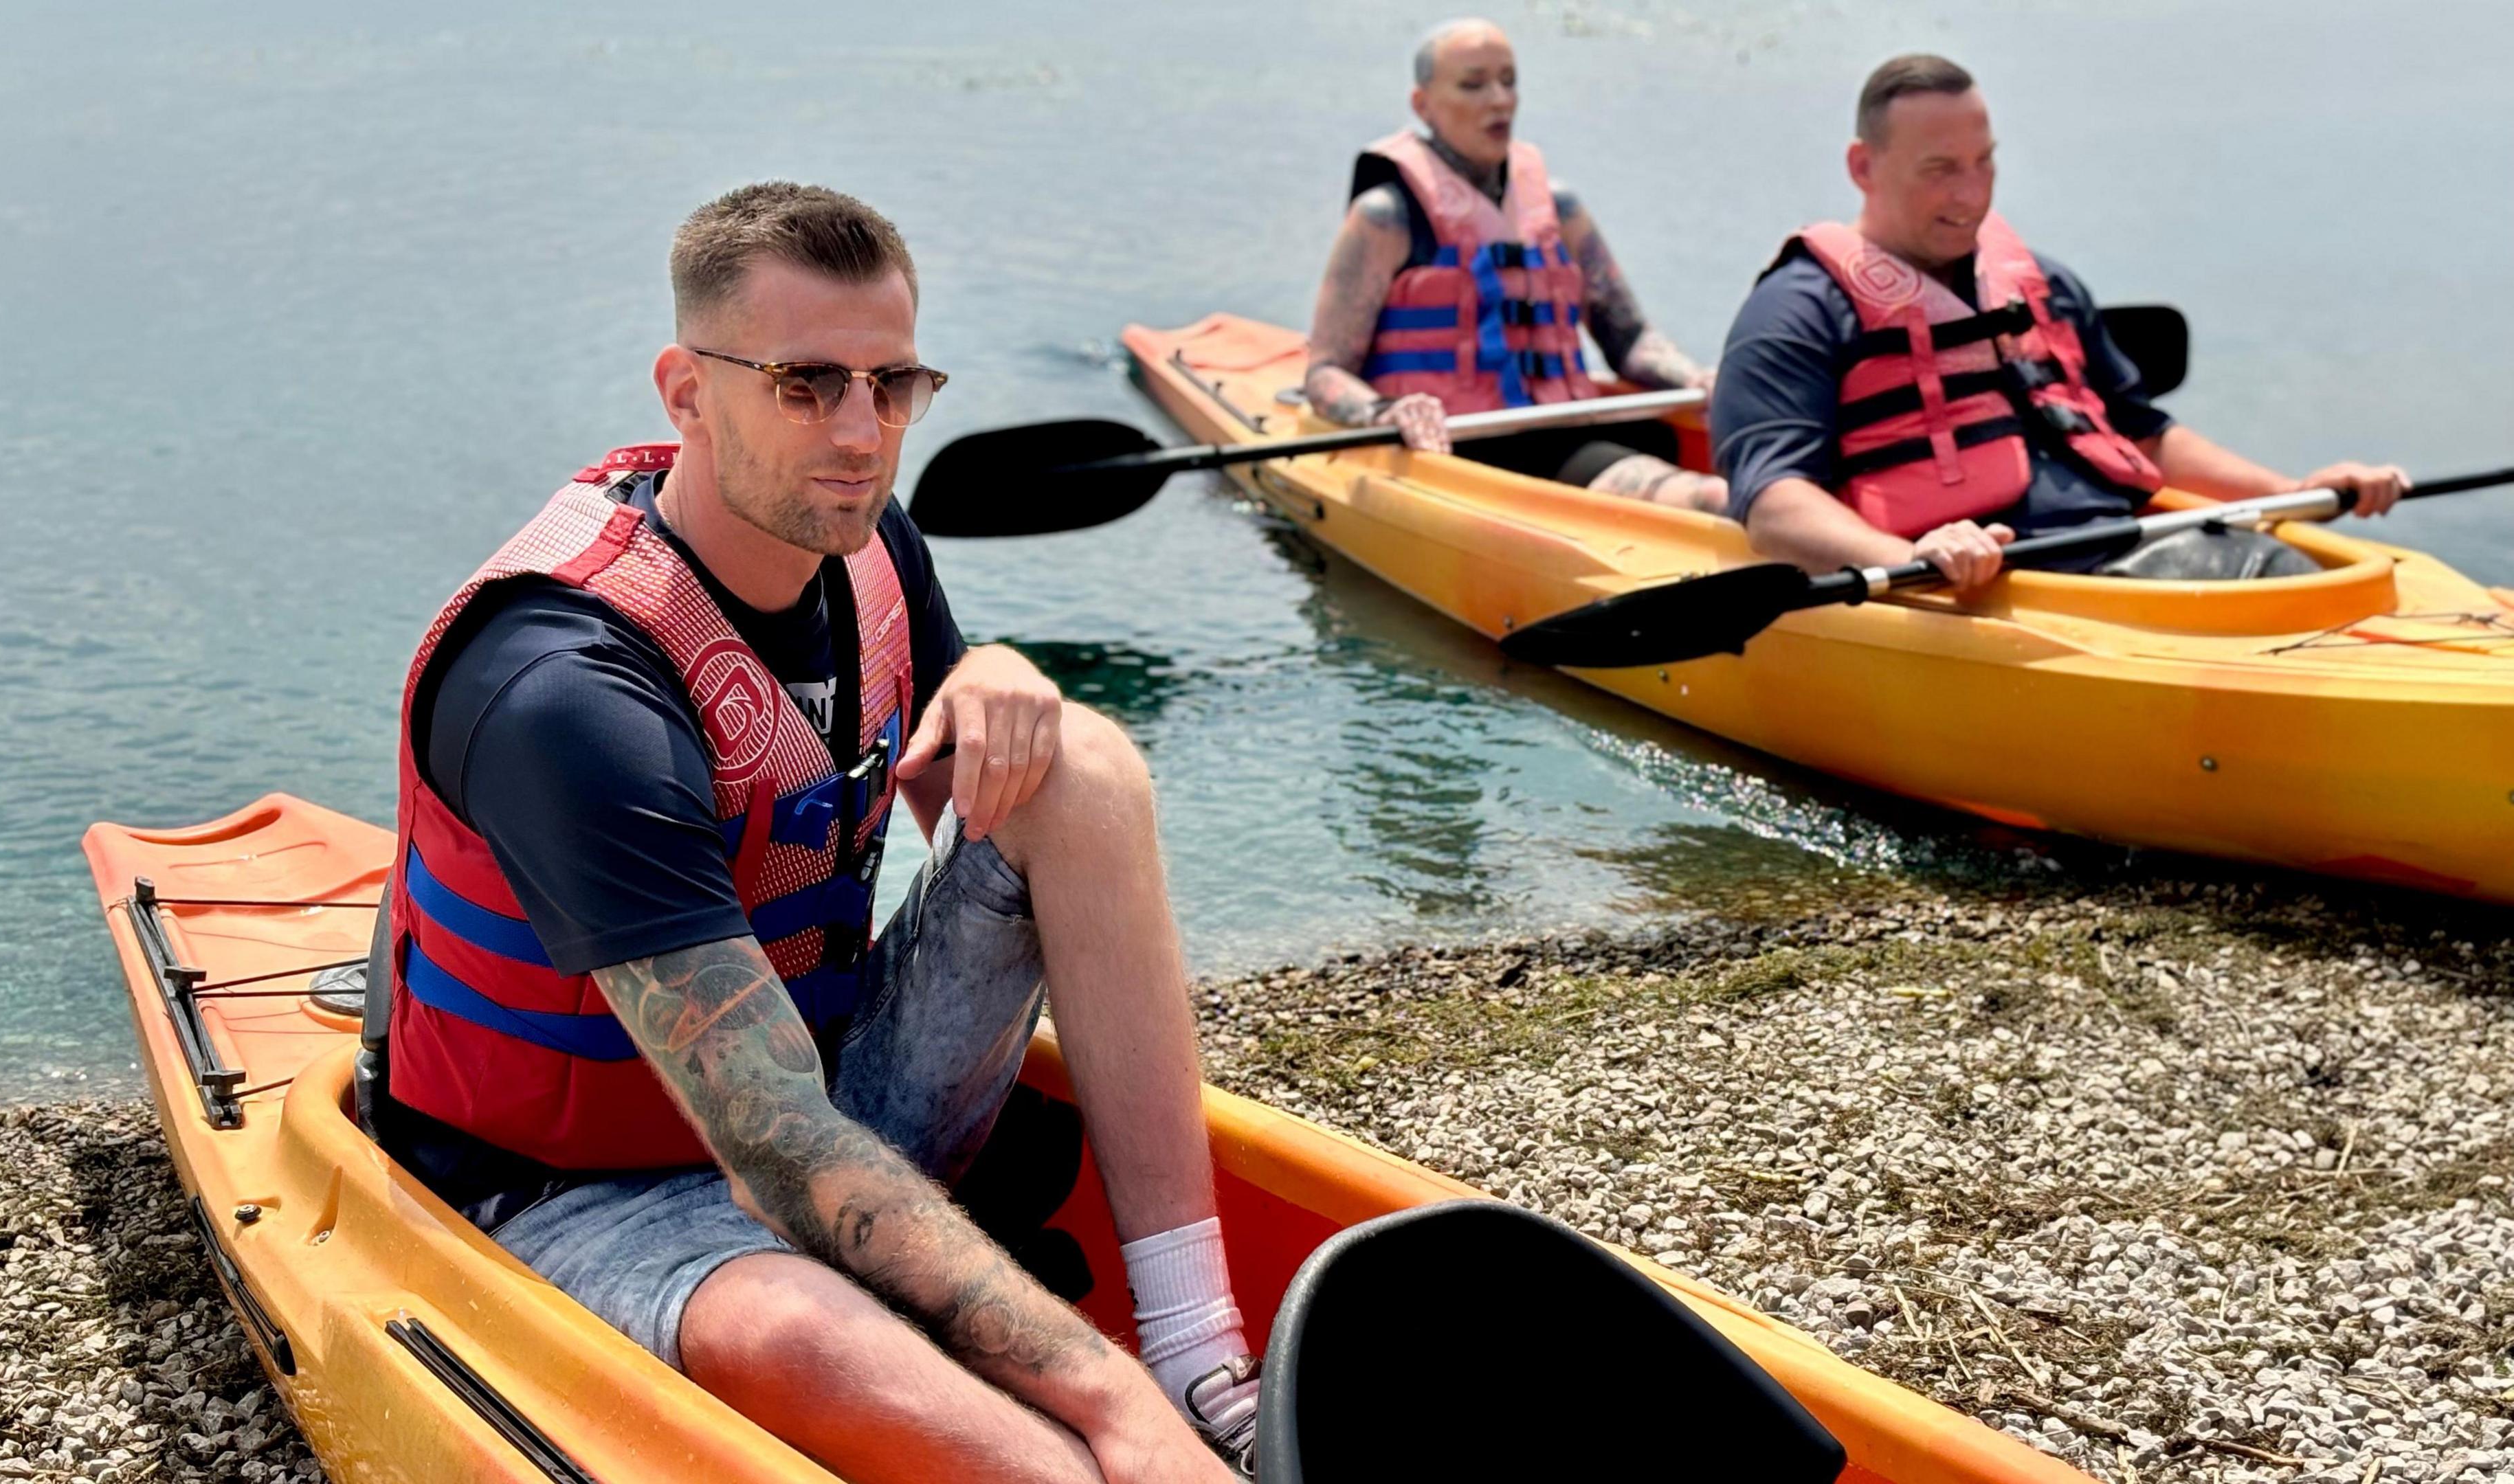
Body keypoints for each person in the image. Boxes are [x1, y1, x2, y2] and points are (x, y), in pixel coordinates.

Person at [368, 182, 1254, 1483]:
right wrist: (1101, 1402)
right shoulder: (567, 687)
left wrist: (1000, 680)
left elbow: (998, 834)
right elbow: (772, 1144)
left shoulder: (870, 543)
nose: (861, 433)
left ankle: (1198, 1351)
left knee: (1085, 763)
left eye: (892, 385)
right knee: (798, 1338)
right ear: (686, 390)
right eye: (805, 383)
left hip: (829, 1089)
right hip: (579, 1190)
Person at [1711, 54, 2408, 587]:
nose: (1970, 193)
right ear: (1864, 166)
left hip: (2133, 559)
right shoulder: (1795, 311)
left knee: (2286, 573)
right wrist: (1910, 556)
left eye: (1984, 163)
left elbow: (2142, 435)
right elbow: (1773, 506)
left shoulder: (2038, 282)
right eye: (1940, 169)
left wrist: (2295, 491)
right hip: (1971, 588)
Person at [1304, 17, 1726, 512]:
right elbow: (1325, 372)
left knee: (1701, 476)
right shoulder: (1386, 217)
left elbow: (1628, 340)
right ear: (1423, 105)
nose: (1500, 99)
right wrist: (1383, 413)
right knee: (1708, 499)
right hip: (1447, 450)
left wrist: (1695, 379)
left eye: (1509, 81)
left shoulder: (1559, 209)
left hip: (1562, 432)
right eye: (1473, 85)